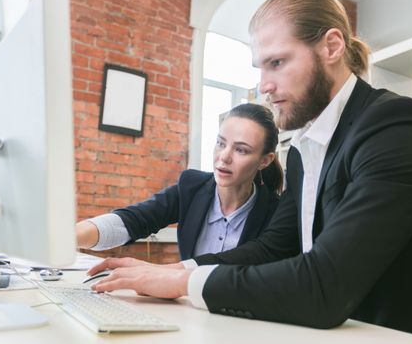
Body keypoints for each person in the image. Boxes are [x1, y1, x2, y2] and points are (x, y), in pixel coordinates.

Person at [86, 0, 412, 342]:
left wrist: (184, 281)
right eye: (260, 67)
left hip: (403, 334)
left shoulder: (396, 126)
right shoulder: (303, 152)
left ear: (332, 47)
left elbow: (326, 285)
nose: (264, 86)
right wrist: (171, 273)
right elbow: (273, 249)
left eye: (278, 63)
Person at [76, 103, 283, 260]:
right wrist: (68, 237)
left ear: (265, 160)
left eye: (241, 150)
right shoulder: (192, 188)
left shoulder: (278, 214)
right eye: (221, 143)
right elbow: (134, 220)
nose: (224, 157)